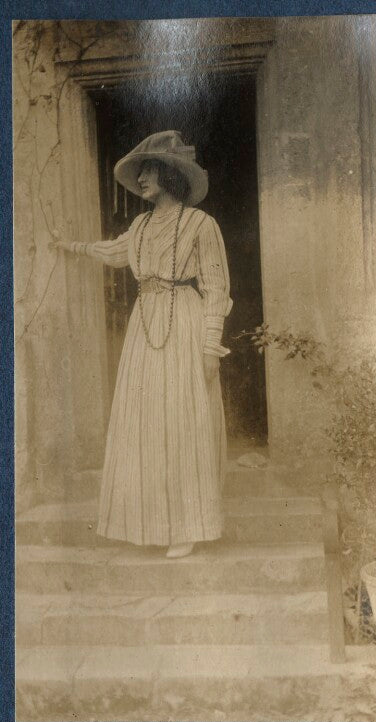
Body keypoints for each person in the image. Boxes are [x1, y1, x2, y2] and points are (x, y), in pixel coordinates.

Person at [53, 130, 232, 558]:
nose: (142, 179)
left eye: (150, 170)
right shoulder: (141, 225)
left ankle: (186, 527)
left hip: (184, 322)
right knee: (145, 422)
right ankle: (147, 523)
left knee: (181, 421)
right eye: (140, 173)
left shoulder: (201, 224)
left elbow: (216, 286)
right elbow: (113, 252)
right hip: (144, 326)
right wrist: (71, 246)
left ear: (171, 174)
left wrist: (211, 346)